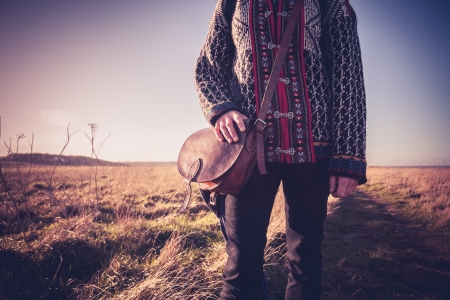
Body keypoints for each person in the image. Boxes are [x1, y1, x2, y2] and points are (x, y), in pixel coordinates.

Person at [194, 0, 367, 299]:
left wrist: (348, 156)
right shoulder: (231, 2)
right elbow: (207, 68)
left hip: (313, 150)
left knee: (306, 263)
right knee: (240, 266)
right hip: (245, 152)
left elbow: (347, 73)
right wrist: (221, 110)